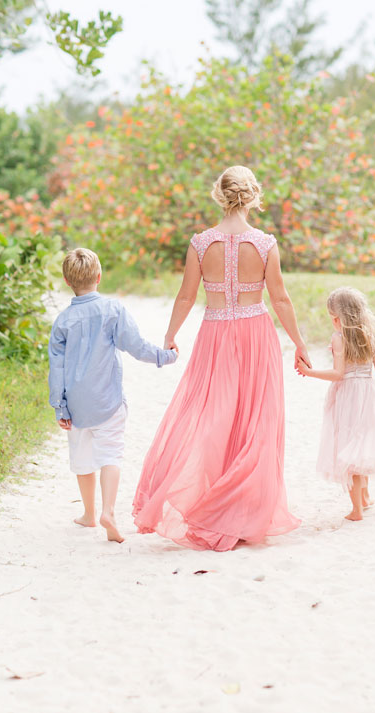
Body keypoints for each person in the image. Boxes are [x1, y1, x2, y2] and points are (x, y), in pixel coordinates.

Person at [132, 166, 309, 551]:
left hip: (214, 334)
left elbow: (185, 296)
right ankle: (239, 512)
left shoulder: (200, 243)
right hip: (255, 335)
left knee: (212, 417)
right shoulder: (265, 243)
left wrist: (170, 334)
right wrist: (300, 343)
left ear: (219, 195)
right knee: (255, 422)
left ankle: (218, 505)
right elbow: (279, 298)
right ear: (253, 196)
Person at [48, 248, 177, 543]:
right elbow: (135, 345)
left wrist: (60, 407)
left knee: (82, 459)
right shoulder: (113, 310)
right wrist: (165, 356)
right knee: (110, 454)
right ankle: (108, 511)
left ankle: (89, 514)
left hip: (77, 407)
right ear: (99, 276)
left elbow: (57, 367)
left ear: (68, 281)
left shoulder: (63, 321)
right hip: (109, 401)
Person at [296, 287, 375, 522]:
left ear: (336, 318)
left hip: (349, 397)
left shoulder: (338, 337)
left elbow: (338, 373)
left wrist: (309, 372)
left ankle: (356, 511)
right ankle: (365, 497)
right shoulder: (369, 334)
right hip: (370, 394)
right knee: (362, 446)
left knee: (350, 451)